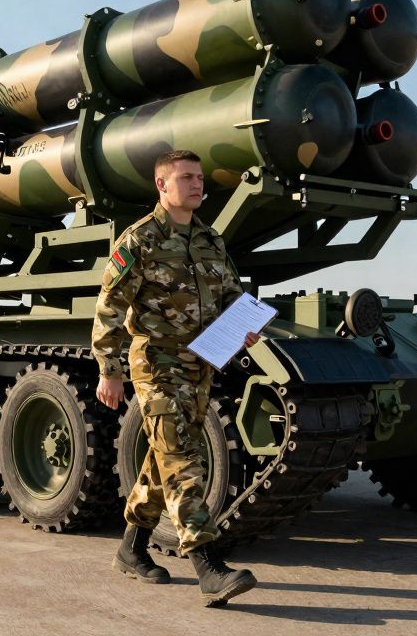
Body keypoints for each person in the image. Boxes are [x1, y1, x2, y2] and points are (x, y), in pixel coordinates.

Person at [91, 149, 261, 608]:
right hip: (157, 364)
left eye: (199, 178)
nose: (196, 184)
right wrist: (110, 371)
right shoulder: (140, 240)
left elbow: (230, 294)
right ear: (161, 186)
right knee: (184, 458)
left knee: (162, 457)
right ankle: (207, 565)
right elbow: (109, 307)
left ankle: (131, 548)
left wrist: (243, 324)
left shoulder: (210, 239)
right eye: (185, 178)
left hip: (201, 364)